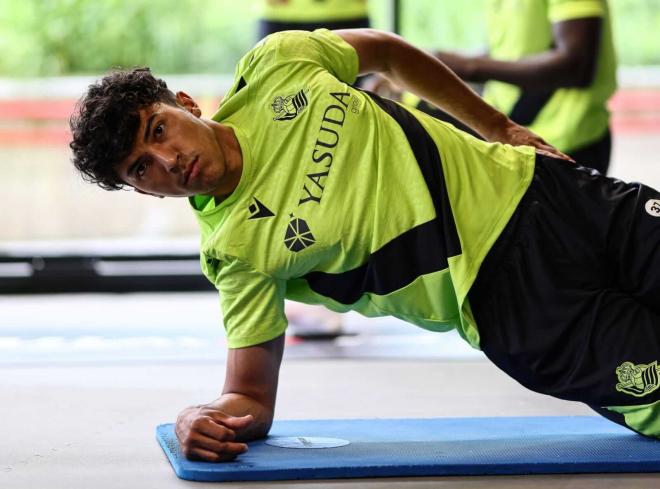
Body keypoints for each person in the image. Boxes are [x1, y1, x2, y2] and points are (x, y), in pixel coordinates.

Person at [69, 28, 660, 463]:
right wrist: (196, 418)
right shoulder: (233, 251)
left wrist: (497, 127)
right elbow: (250, 394)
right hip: (513, 303)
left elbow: (384, 50)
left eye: (158, 130)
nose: (170, 162)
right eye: (141, 170)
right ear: (143, 192)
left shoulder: (277, 65)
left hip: (550, 194)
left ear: (185, 105)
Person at [433, 0, 617, 174]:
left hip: (563, 147)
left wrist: (469, 66)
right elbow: (509, 52)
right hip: (513, 139)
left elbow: (576, 65)